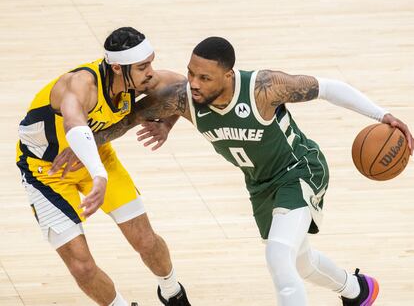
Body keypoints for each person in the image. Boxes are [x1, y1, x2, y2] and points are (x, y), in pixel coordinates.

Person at [53, 36, 413, 306]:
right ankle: (358, 290)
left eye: (204, 78)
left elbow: (327, 88)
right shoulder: (184, 99)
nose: (193, 83)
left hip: (298, 170)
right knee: (299, 262)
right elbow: (130, 119)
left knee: (278, 256)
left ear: (227, 76)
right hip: (260, 185)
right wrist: (89, 143)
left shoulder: (262, 88)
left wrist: (381, 115)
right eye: (191, 73)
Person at [16, 27, 191, 306]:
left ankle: (172, 291)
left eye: (151, 63)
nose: (151, 72)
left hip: (98, 157)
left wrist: (167, 125)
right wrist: (99, 176)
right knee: (82, 267)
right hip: (46, 173)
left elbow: (183, 87)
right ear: (118, 68)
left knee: (145, 240)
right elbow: (75, 128)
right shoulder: (80, 85)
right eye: (143, 66)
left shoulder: (139, 79)